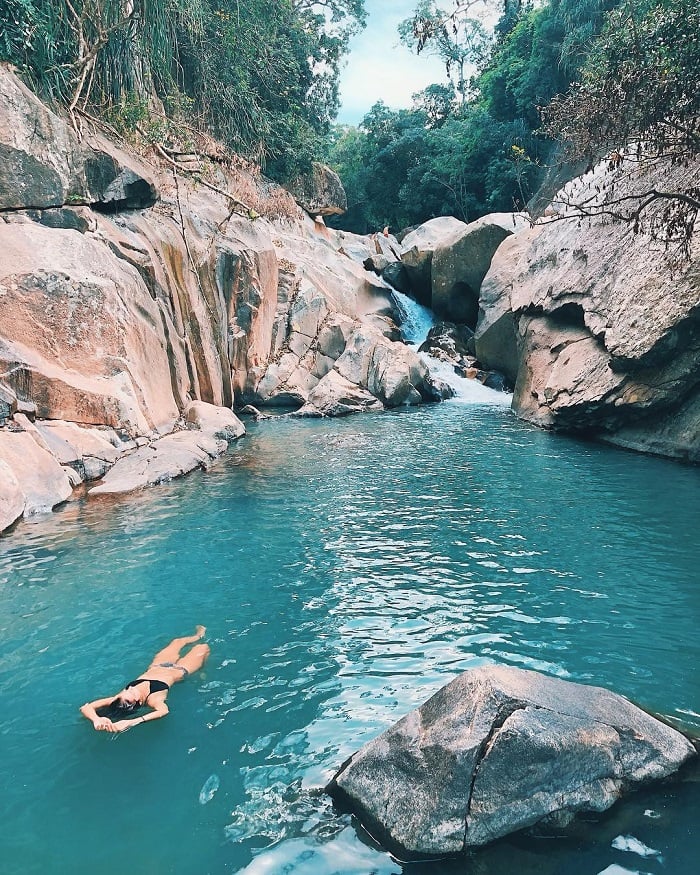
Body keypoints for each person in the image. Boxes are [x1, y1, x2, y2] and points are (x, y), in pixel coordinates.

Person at [80, 626, 210, 733]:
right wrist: (131, 722)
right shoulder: (153, 699)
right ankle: (202, 670)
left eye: (127, 690)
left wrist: (96, 719)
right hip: (182, 670)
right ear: (137, 700)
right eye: (130, 693)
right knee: (203, 648)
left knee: (177, 642)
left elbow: (86, 707)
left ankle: (198, 635)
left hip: (159, 664)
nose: (130, 688)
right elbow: (164, 711)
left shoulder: (120, 698)